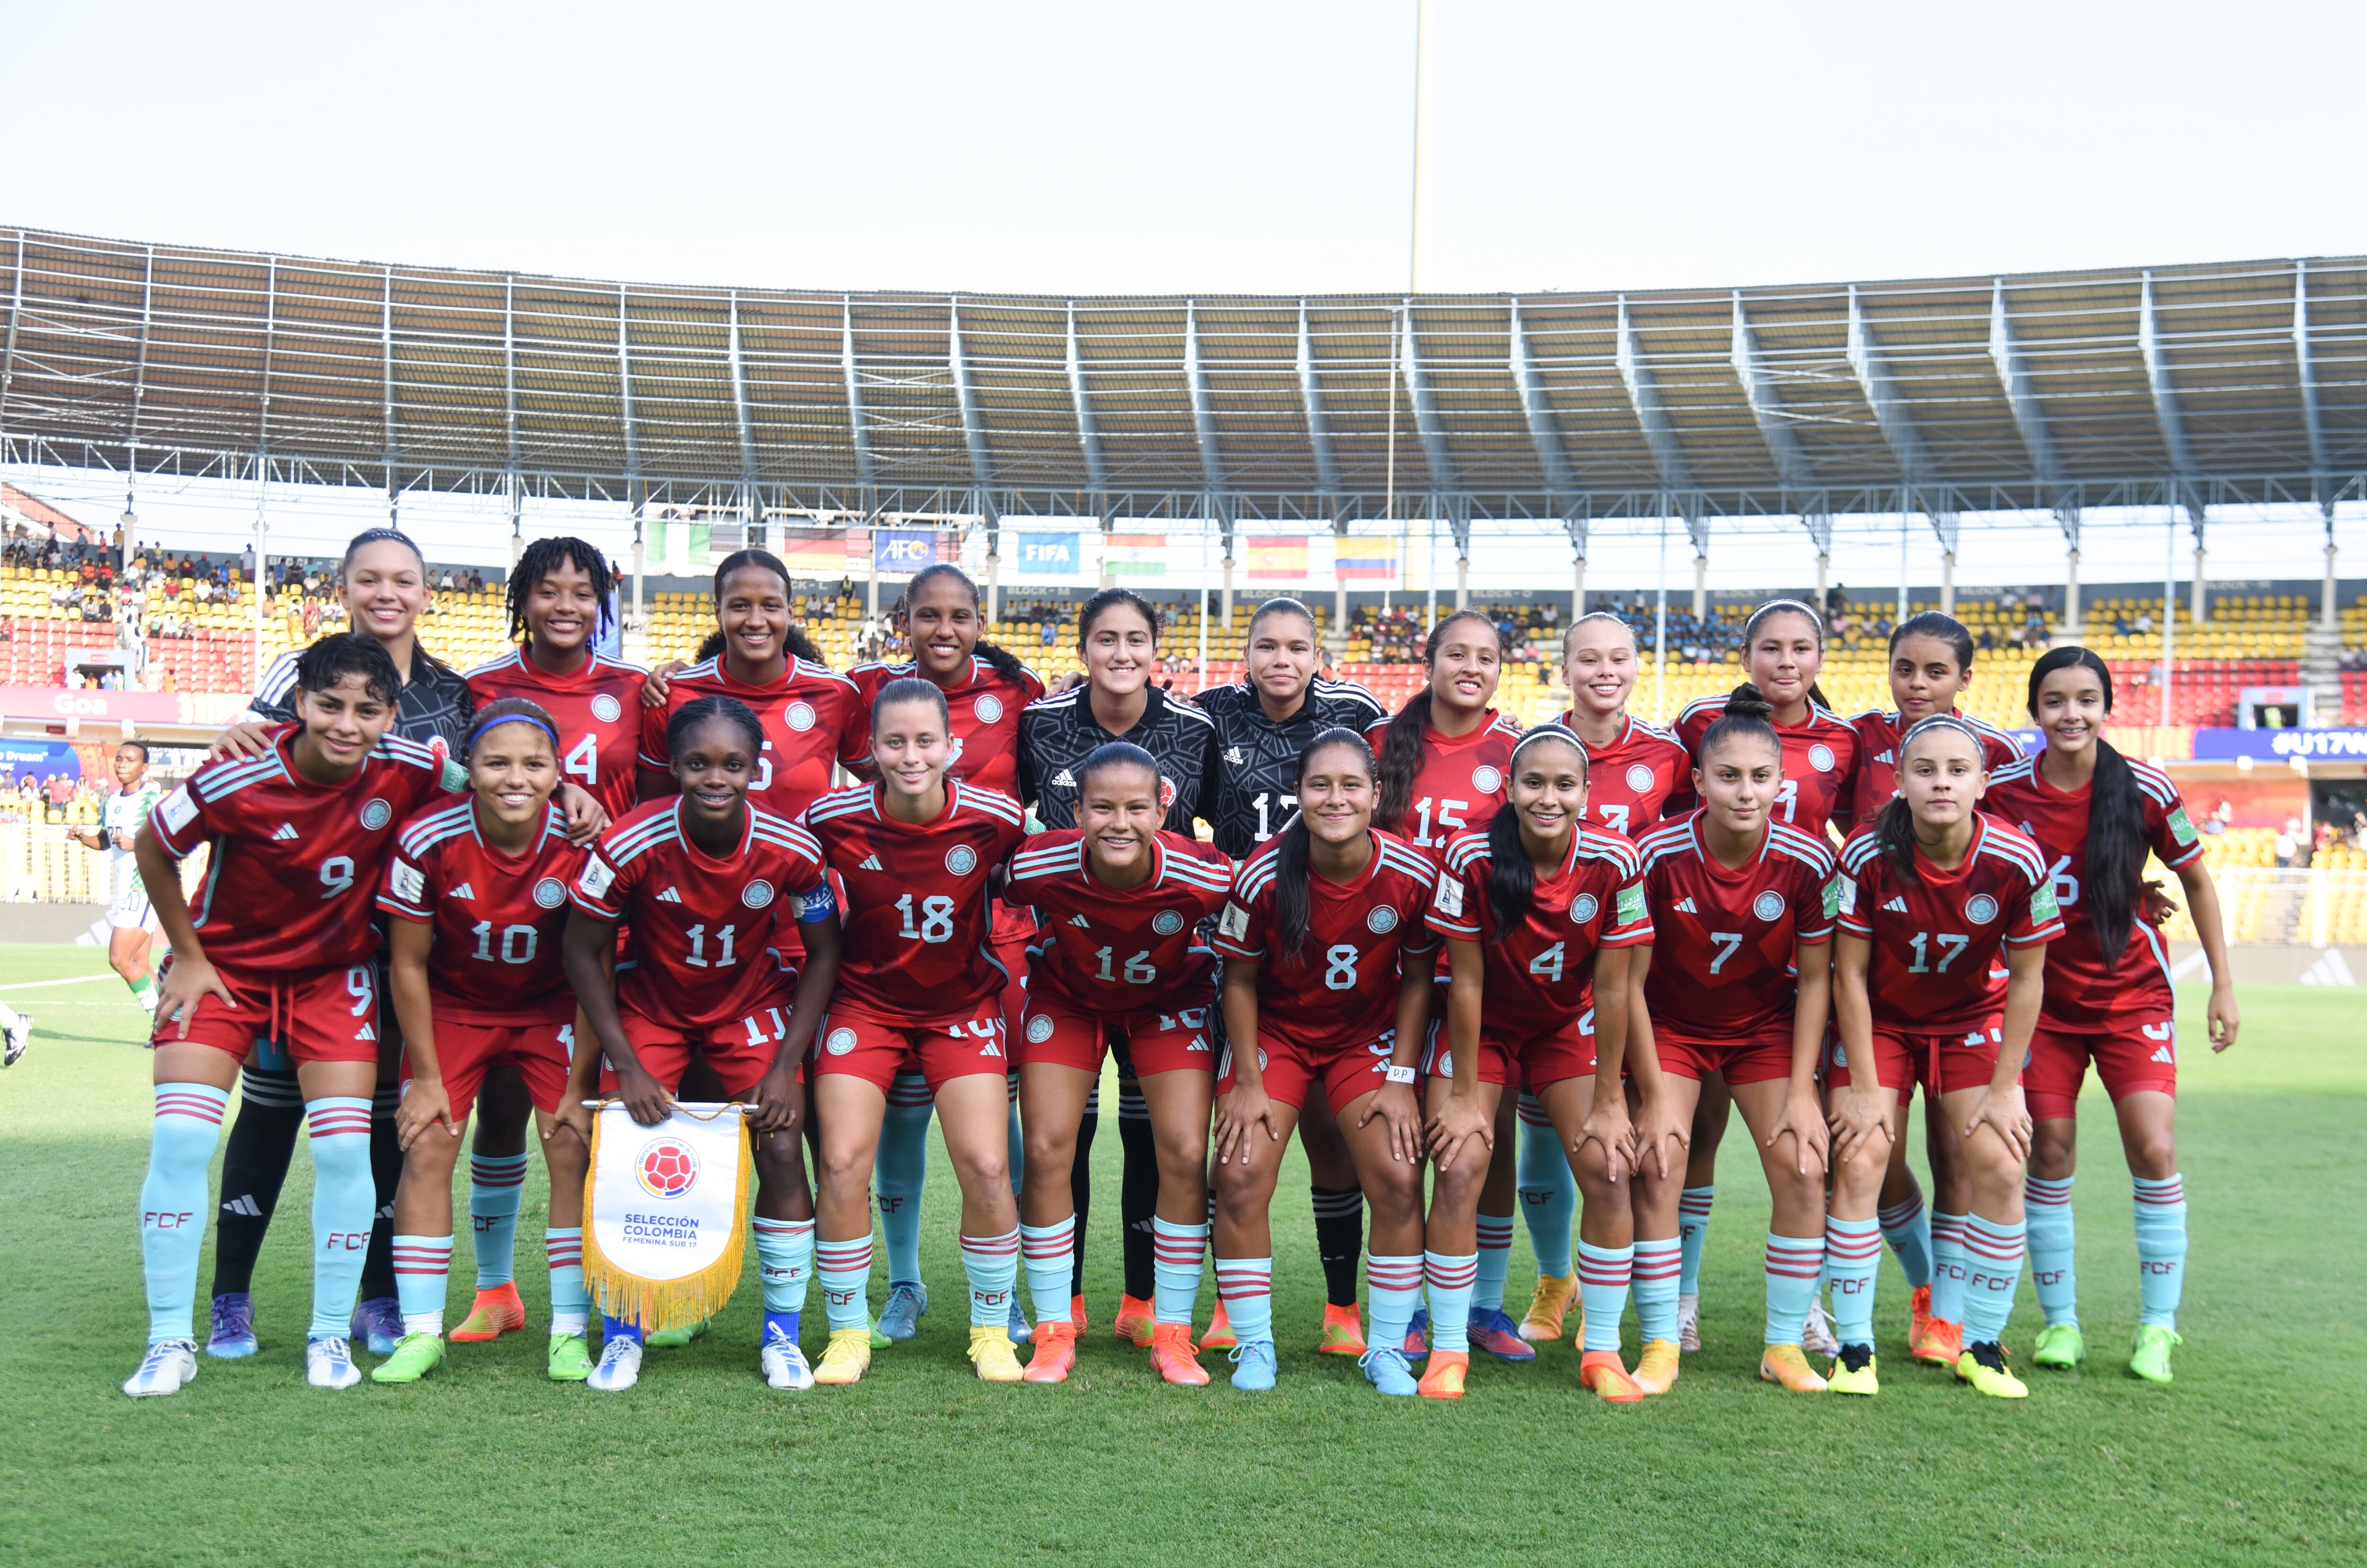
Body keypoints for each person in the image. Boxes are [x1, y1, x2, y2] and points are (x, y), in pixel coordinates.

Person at [199, 528, 514, 1361]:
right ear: (343, 590)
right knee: (272, 1105)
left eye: (403, 580)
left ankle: (378, 1296)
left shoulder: (455, 693)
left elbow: (483, 786)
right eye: (369, 579)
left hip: (403, 937)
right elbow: (248, 769)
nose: (386, 593)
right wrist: (235, 732)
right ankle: (231, 1295)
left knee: (381, 1119)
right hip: (299, 937)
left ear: (426, 594)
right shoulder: (298, 674)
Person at [123, 634, 461, 1396]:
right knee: (181, 1141)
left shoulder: (412, 766)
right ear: (300, 702)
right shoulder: (236, 771)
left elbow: (501, 782)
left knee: (343, 1153)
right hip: (224, 973)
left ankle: (328, 1335)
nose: (347, 724)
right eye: (329, 705)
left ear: (392, 715)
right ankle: (168, 1341)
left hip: (332, 979)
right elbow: (151, 847)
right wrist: (189, 954)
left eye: (367, 711)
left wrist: (571, 799)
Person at [563, 695, 840, 1393]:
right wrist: (624, 1065)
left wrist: (785, 1065)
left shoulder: (793, 849)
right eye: (697, 763)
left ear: (755, 768)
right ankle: (623, 1332)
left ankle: (782, 1335)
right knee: (626, 1152)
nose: (715, 778)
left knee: (783, 1147)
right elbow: (580, 949)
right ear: (674, 766)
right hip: (652, 1009)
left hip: (748, 1007)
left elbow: (824, 954)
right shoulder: (627, 843)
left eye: (732, 764)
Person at [1985, 647, 2239, 1385]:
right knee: (2050, 1151)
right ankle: (2061, 1323)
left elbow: (2197, 881)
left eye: (2086, 699)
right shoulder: (2002, 792)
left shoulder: (2146, 788)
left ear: (2106, 707)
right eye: (2056, 700)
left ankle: (2158, 1327)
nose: (2071, 714)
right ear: (2035, 711)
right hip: (2040, 1005)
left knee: (2154, 1148)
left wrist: (2223, 986)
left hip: (2132, 998)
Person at [437, 537, 648, 1345]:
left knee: (590, 1114)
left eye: (582, 591)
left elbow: (662, 791)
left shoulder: (636, 688)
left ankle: (619, 1289)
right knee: (498, 1109)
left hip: (611, 921)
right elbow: (459, 786)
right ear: (522, 599)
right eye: (548, 590)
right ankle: (497, 1290)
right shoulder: (481, 687)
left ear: (602, 603)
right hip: (507, 920)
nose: (566, 605)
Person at [800, 680, 1030, 1385]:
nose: (911, 756)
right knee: (841, 1162)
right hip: (864, 1006)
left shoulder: (997, 818)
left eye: (926, 741)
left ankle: (990, 1329)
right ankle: (847, 1333)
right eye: (895, 742)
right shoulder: (830, 818)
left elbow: (1039, 875)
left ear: (952, 747)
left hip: (960, 1009)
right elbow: (785, 867)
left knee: (987, 1165)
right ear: (871, 749)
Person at [1828, 715, 2062, 1398]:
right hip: (1882, 1022)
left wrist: (2006, 1086)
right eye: (1924, 770)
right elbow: (1848, 975)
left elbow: (2028, 977)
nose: (1941, 783)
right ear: (1899, 782)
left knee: (2002, 1164)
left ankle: (1981, 1345)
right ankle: (1854, 1351)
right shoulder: (1865, 854)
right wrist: (1865, 1087)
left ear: (1982, 782)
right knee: (1861, 1158)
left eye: (1957, 770)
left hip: (1968, 1023)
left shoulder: (2018, 858)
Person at [1421, 724, 1652, 1401]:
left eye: (1563, 785)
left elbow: (1613, 987)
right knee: (1458, 1165)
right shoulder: (1469, 854)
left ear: (1586, 792)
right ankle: (1447, 1347)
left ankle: (1601, 1350)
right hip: (1483, 1026)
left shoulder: (1616, 859)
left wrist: (1609, 1099)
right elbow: (1465, 981)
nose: (1548, 797)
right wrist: (1464, 1095)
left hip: (1563, 1025)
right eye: (1533, 783)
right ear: (1508, 787)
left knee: (1609, 1167)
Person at [370, 699, 596, 1384]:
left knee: (571, 1146)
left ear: (558, 772)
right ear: (468, 767)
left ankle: (569, 1331)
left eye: (534, 764)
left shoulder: (586, 841)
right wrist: (426, 1079)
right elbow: (407, 962)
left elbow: (598, 964)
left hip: (552, 1008)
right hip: (457, 1006)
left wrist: (581, 1084)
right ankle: (420, 1332)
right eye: (497, 762)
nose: (515, 778)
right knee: (428, 1142)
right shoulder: (426, 837)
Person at [847, 564, 1045, 1345]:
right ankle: (906, 1282)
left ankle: (1006, 1288)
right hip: (898, 934)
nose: (943, 630)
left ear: (979, 622)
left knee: (1000, 1114)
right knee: (902, 1107)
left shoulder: (1020, 693)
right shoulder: (868, 692)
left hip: (998, 935)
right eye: (927, 615)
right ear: (904, 621)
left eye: (959, 615)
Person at [1209, 730, 1438, 1396]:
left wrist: (1401, 1079)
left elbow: (1419, 980)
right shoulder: (1262, 875)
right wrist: (1247, 1080)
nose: (1335, 798)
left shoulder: (1412, 873)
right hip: (1278, 1034)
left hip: (1364, 1038)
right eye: (1319, 785)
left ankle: (1386, 1347)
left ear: (1376, 794)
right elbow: (1238, 981)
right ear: (1298, 794)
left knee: (1397, 1175)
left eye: (1350, 785)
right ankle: (1254, 1344)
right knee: (1239, 1172)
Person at [1015, 589, 1217, 1341]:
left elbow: (1226, 844)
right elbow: (996, 856)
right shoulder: (1038, 726)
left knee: (1162, 1140)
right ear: (1083, 650)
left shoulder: (1194, 731)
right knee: (1058, 1139)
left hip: (1165, 969)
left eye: (1137, 639)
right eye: (1107, 638)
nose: (1122, 652)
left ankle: (1151, 1307)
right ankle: (1059, 1309)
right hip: (1072, 964)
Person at [1192, 597, 1387, 1359]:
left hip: (1336, 943)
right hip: (1247, 947)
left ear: (1318, 657)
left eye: (1298, 647)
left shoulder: (1357, 715)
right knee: (1236, 1142)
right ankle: (1227, 1306)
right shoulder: (1211, 716)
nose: (1282, 660)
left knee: (1333, 1139)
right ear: (1245, 655)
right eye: (1267, 646)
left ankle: (1343, 1307)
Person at [1004, 742, 1235, 1383]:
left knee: (1184, 1151)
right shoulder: (1038, 861)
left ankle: (1174, 1333)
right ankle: (1054, 1331)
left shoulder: (1206, 873)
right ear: (1077, 811)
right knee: (1047, 1148)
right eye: (1102, 807)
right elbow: (980, 888)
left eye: (1136, 807)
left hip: (1167, 1002)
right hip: (1069, 999)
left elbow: (1264, 910)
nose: (1119, 822)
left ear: (1162, 811)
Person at [1629, 689, 1838, 1394]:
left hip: (1762, 1031)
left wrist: (1804, 1091)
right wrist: (1652, 1091)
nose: (1745, 791)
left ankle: (1782, 1345)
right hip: (1670, 1027)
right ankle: (1660, 1341)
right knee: (1659, 1162)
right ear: (1698, 780)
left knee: (1804, 1166)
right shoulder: (1654, 853)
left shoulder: (1810, 860)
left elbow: (1817, 979)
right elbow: (1627, 981)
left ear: (1782, 782)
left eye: (1760, 777)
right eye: (1728, 776)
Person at [1667, 599, 1859, 1356]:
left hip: (1784, 976)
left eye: (1802, 648)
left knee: (1806, 1149)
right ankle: (1677, 1304)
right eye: (1771, 648)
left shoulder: (1843, 742)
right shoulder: (1696, 726)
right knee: (1687, 1143)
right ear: (1746, 657)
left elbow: (1873, 832)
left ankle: (1802, 1314)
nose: (1786, 661)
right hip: (1691, 973)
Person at [1505, 611, 1692, 1346]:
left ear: (1637, 666)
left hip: (1641, 971)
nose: (1605, 671)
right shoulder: (1531, 748)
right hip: (1549, 974)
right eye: (1589, 659)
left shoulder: (1671, 754)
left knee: (1637, 1138)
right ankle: (1556, 1280)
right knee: (1546, 1134)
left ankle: (1658, 1300)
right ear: (1565, 670)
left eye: (1619, 658)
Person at [1843, 611, 2025, 1363]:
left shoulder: (1999, 757)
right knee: (1869, 1157)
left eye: (1936, 671)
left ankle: (1949, 1318)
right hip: (1876, 986)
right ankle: (1918, 1284)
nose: (1918, 683)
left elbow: (2022, 858)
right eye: (1905, 668)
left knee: (1965, 1156)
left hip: (1964, 998)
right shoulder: (1855, 741)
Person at [1366, 610, 1530, 1362]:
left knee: (1488, 1144)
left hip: (1480, 974)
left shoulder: (1515, 749)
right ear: (1428, 662)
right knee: (1401, 1146)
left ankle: (1482, 1307)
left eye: (1486, 657)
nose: (1471, 667)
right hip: (1392, 968)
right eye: (1456, 654)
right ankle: (1401, 1308)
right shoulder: (1381, 742)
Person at [69, 741, 165, 1017]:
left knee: (120, 959)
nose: (122, 764)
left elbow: (172, 842)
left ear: (145, 768)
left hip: (144, 885)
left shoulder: (153, 800)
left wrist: (137, 844)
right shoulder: (110, 802)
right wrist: (82, 837)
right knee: (140, 963)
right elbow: (105, 841)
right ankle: (171, 1022)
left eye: (130, 760)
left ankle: (162, 1025)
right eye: (119, 759)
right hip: (124, 890)